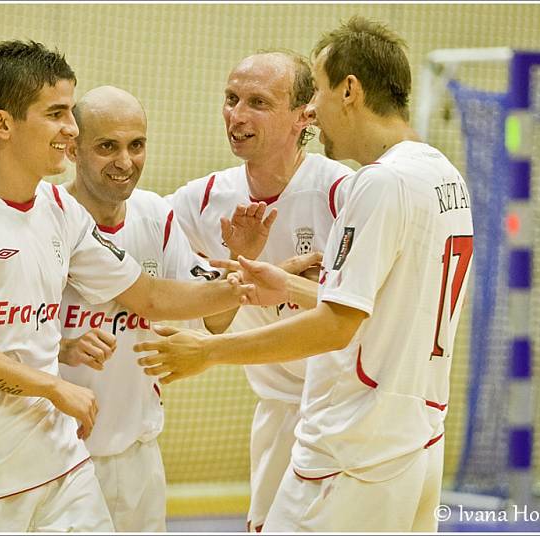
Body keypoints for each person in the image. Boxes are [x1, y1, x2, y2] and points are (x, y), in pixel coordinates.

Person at [138, 16, 474, 532]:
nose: (313, 111)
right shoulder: (443, 175)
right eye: (233, 98)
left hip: (354, 441)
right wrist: (287, 286)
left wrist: (206, 354)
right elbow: (389, 304)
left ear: (350, 90)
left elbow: (337, 324)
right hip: (417, 434)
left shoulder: (373, 185)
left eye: (314, 93)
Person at [0, 40, 254, 533]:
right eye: (56, 114)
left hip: (57, 462)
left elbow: (149, 295)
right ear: (2, 124)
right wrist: (54, 386)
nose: (70, 129)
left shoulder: (59, 211)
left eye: (71, 112)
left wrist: (243, 282)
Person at [165, 50, 354, 532]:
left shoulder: (342, 191)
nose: (238, 116)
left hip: (349, 412)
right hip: (278, 413)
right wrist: (234, 282)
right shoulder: (200, 201)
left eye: (258, 102)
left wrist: (291, 284)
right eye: (231, 99)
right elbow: (212, 318)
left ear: (303, 115)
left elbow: (370, 310)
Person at [56, 85, 228, 531]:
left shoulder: (155, 214)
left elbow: (213, 318)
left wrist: (246, 270)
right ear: (73, 148)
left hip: (138, 455)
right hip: (56, 455)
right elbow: (4, 331)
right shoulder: (46, 217)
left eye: (136, 145)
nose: (125, 161)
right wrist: (62, 346)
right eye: (107, 146)